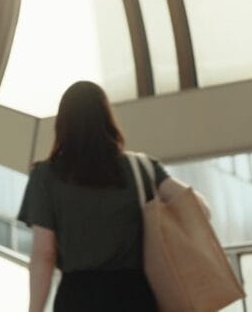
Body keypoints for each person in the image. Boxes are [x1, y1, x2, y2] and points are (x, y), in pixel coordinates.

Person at [18, 81, 208, 312]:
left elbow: (44, 255)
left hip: (77, 299)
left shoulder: (45, 176)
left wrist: (34, 309)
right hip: (135, 297)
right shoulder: (141, 168)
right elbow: (200, 209)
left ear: (63, 124)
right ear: (107, 119)